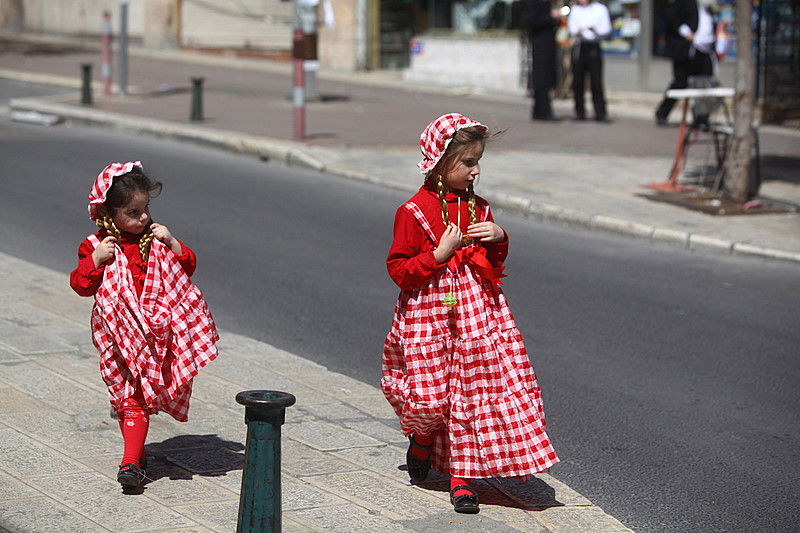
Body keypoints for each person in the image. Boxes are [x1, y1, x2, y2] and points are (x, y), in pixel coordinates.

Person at [381, 113, 559, 514]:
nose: (476, 170)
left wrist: (499, 237)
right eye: (468, 162)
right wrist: (438, 255)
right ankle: (422, 439)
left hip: (478, 316)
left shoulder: (479, 207)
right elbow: (399, 271)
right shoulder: (413, 211)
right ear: (440, 163)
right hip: (429, 316)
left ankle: (462, 479)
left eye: (478, 162)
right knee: (429, 398)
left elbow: (492, 263)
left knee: (474, 394)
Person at [70, 161, 219, 490]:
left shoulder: (155, 239)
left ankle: (131, 462)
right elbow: (81, 285)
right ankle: (134, 457)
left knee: (134, 396)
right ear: (109, 214)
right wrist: (95, 260)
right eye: (133, 212)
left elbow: (187, 268)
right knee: (126, 394)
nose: (143, 218)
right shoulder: (96, 245)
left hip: (155, 335)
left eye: (146, 209)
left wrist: (174, 243)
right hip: (116, 336)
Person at [654, 0, 717, 127]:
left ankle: (701, 118)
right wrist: (686, 32)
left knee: (705, 83)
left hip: (705, 51)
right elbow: (671, 15)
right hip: (686, 50)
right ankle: (662, 113)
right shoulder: (686, 2)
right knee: (680, 83)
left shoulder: (709, 8)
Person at [568, 0, 612, 122]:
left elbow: (604, 30)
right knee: (578, 81)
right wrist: (587, 30)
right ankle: (579, 111)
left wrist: (587, 30)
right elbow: (573, 29)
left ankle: (600, 112)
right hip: (579, 48)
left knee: (596, 82)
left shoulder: (600, 9)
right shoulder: (575, 10)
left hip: (593, 48)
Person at [522, 0, 563, 121]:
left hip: (546, 41)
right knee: (542, 76)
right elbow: (532, 20)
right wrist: (552, 17)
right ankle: (543, 111)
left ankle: (541, 110)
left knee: (546, 76)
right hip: (540, 42)